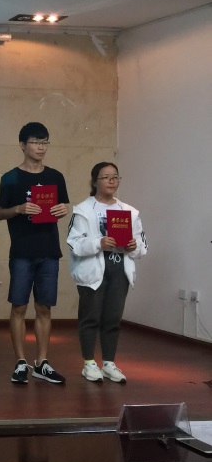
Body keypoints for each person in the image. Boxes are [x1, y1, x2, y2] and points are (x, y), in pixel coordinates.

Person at [0, 122, 70, 385]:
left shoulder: (55, 176)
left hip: (49, 250)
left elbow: (63, 205)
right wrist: (19, 209)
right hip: (22, 251)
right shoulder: (10, 177)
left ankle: (42, 362)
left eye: (45, 142)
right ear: (22, 145)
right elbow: (0, 212)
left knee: (44, 307)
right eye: (36, 142)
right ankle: (20, 361)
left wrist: (64, 209)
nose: (41, 147)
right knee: (19, 306)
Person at [67, 162, 147, 383]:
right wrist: (98, 242)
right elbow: (73, 242)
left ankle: (109, 363)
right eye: (105, 177)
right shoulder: (83, 210)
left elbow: (142, 245)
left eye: (115, 177)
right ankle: (89, 363)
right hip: (93, 269)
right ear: (94, 182)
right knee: (91, 317)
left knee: (113, 318)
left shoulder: (129, 211)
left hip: (119, 269)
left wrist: (134, 246)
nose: (111, 181)